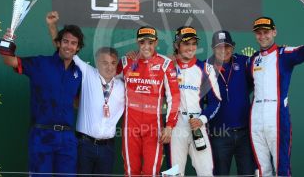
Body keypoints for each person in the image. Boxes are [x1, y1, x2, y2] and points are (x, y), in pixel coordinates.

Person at [0, 24, 84, 176]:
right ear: (58, 43)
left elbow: (76, 103)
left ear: (78, 48)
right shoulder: (40, 63)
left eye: (73, 43)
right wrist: (6, 41)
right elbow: (9, 61)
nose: (68, 46)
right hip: (42, 134)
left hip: (67, 139)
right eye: (65, 41)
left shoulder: (79, 73)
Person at [46, 11, 125, 175]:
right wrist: (52, 26)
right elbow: (65, 51)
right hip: (84, 145)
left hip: (108, 148)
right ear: (96, 63)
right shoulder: (88, 73)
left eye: (113, 63)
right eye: (104, 62)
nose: (109, 66)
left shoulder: (123, 85)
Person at [248, 9, 304, 176]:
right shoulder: (252, 59)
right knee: (261, 170)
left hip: (276, 117)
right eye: (259, 33)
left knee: (281, 169)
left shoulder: (284, 54)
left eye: (266, 32)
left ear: (274, 32)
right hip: (255, 119)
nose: (263, 36)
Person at [121, 26, 180, 176]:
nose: (146, 46)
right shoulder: (126, 61)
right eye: (142, 42)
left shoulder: (165, 64)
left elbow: (174, 96)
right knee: (130, 171)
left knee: (151, 172)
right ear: (137, 42)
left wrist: (169, 126)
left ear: (156, 42)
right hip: (130, 127)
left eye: (150, 42)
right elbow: (108, 81)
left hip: (153, 127)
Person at [170, 26, 221, 176]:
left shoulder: (206, 69)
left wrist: (202, 119)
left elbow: (216, 101)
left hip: (197, 123)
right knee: (174, 173)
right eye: (186, 43)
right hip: (175, 124)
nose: (190, 47)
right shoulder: (167, 67)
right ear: (176, 45)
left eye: (193, 43)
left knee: (205, 171)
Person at [206, 30, 255, 176]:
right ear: (213, 48)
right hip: (218, 133)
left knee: (247, 173)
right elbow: (185, 66)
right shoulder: (205, 67)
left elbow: (265, 61)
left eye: (227, 46)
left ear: (232, 47)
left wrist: (278, 52)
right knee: (220, 174)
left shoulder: (243, 62)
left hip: (244, 133)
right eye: (219, 47)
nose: (223, 50)